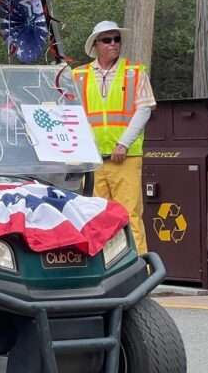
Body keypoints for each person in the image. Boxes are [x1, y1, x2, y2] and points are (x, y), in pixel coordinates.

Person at [71, 21, 155, 255]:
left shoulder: (135, 72)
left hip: (125, 157)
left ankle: (140, 271)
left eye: (117, 39)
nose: (114, 44)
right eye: (107, 40)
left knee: (130, 216)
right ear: (95, 45)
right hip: (94, 160)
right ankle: (108, 271)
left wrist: (123, 144)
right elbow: (70, 114)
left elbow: (145, 109)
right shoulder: (78, 76)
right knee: (98, 219)